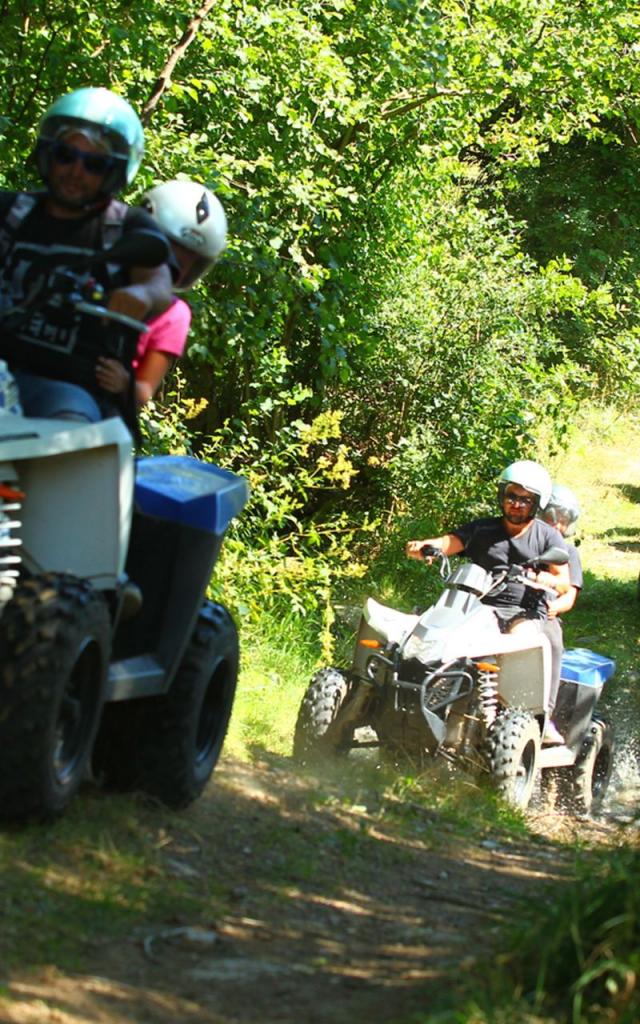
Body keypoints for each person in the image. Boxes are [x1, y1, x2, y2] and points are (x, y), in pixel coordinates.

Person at [0, 86, 173, 428]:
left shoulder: (126, 226)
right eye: (66, 155)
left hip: (74, 390)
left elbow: (159, 280)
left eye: (93, 163)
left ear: (114, 170)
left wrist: (142, 295)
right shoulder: (10, 211)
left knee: (70, 428)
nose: (76, 171)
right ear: (48, 154)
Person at [406, 459, 571, 744]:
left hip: (524, 611)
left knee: (519, 647)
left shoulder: (548, 536)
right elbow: (451, 541)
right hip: (479, 606)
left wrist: (546, 580)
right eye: (512, 496)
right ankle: (432, 699)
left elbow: (563, 580)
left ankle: (533, 718)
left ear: (537, 504)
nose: (516, 505)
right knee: (446, 640)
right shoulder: (483, 528)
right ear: (501, 496)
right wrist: (426, 546)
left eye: (525, 500)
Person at [95, 179, 227, 407]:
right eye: (167, 253)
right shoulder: (99, 270)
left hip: (102, 408)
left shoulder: (175, 314)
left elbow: (145, 389)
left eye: (186, 263)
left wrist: (124, 382)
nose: (173, 267)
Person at [539, 483, 583, 617]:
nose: (557, 525)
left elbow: (570, 595)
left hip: (545, 612)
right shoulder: (528, 542)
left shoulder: (569, 552)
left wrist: (555, 607)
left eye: (563, 521)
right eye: (551, 519)